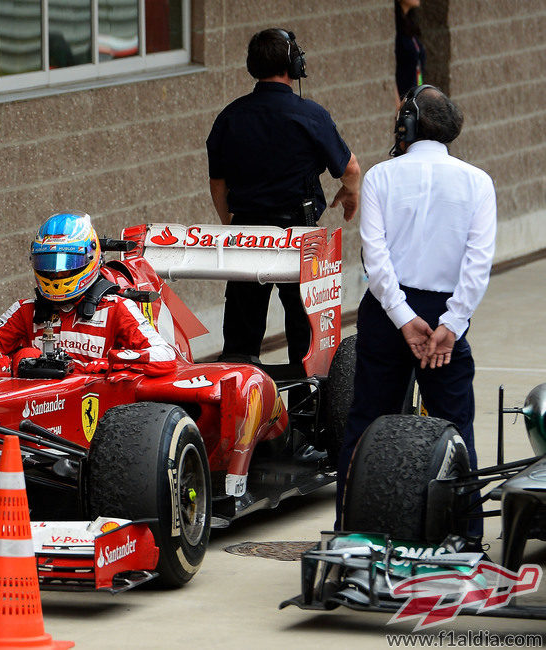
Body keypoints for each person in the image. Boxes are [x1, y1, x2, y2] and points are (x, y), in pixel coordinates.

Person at [336, 85, 496, 537]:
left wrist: (404, 317)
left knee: (367, 422)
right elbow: (477, 263)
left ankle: (351, 533)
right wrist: (452, 324)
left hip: (389, 312)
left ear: (404, 125)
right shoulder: (478, 182)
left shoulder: (381, 177)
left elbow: (375, 256)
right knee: (456, 425)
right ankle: (466, 538)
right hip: (445, 311)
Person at [205, 28, 361, 368]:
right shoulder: (311, 115)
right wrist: (351, 194)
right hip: (301, 237)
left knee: (240, 340)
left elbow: (218, 184)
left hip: (247, 237)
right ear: (295, 66)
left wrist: (230, 223)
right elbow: (349, 168)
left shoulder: (229, 117)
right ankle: (307, 409)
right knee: (308, 340)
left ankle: (242, 408)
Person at [0, 212, 177, 376]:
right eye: (48, 263)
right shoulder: (25, 310)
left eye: (67, 264)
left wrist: (115, 362)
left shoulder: (116, 308)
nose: (56, 273)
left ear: (90, 258)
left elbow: (165, 355)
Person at [395, 0, 426, 106]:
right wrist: (398, 105)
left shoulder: (409, 22)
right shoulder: (395, 26)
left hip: (415, 99)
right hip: (402, 100)